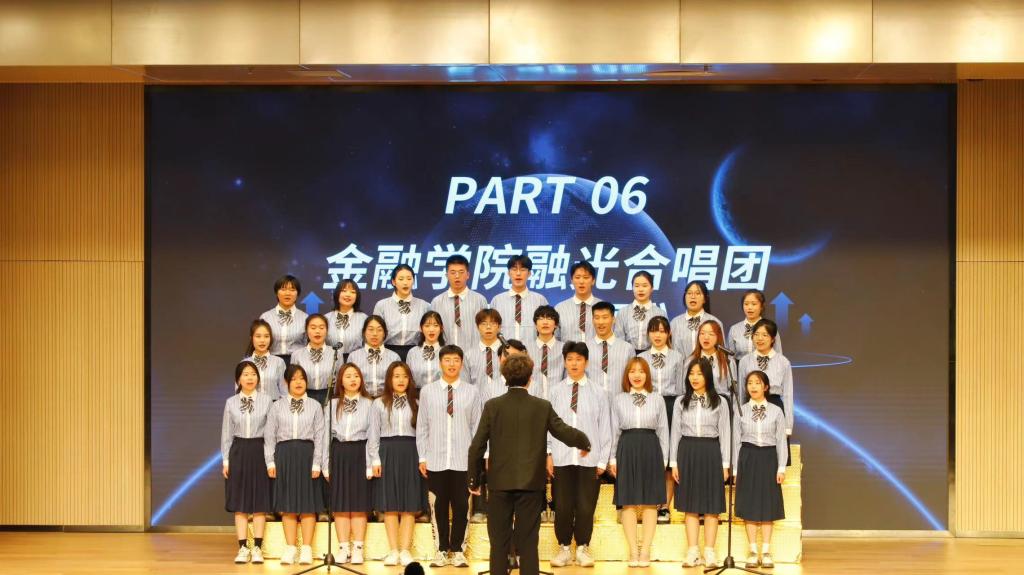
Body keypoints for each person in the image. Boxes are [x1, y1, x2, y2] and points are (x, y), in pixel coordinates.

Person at [468, 354, 590, 575]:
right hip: (531, 483)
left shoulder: (493, 406)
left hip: (499, 484)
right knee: (528, 541)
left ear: (505, 377)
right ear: (530, 378)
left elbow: (477, 445)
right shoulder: (541, 406)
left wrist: (473, 479)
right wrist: (584, 441)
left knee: (499, 542)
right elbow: (563, 431)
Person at [416, 344, 482, 568]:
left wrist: (476, 460)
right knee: (439, 508)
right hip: (436, 459)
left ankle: (458, 550)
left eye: (456, 360)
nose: (452, 364)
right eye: (447, 360)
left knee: (462, 507)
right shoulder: (428, 391)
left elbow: (477, 428)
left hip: (463, 461)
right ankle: (441, 549)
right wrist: (422, 457)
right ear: (440, 363)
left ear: (461, 364)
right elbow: (422, 427)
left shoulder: (472, 392)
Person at [547, 342, 611, 568]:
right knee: (562, 505)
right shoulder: (554, 392)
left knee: (586, 506)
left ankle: (583, 547)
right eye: (570, 359)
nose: (574, 364)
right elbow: (548, 426)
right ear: (564, 362)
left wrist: (602, 460)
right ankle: (564, 548)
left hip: (589, 459)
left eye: (578, 359)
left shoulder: (599, 393)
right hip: (562, 457)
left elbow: (605, 427)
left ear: (586, 362)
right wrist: (549, 453)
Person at [670, 359, 731, 568]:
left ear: (708, 376)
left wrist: (725, 464)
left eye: (699, 374)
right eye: (691, 373)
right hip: (687, 451)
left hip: (711, 451)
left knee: (712, 506)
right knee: (690, 505)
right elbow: (675, 433)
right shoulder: (680, 401)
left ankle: (710, 552)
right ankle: (693, 552)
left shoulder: (720, 402)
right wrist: (674, 462)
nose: (694, 378)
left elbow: (725, 433)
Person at [608, 358, 668, 567]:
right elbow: (614, 431)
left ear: (647, 375)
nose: (637, 375)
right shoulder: (619, 400)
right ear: (627, 375)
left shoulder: (657, 399)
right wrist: (613, 458)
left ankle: (645, 551)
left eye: (641, 371)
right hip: (627, 448)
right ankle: (633, 551)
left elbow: (663, 431)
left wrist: (664, 459)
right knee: (629, 501)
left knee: (651, 501)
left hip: (651, 449)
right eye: (632, 371)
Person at [264, 365, 325, 566]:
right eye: (294, 379)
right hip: (284, 455)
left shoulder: (315, 406)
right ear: (286, 383)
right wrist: (270, 461)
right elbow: (270, 436)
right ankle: (290, 547)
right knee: (287, 505)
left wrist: (317, 462)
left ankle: (306, 548)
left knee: (308, 504)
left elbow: (320, 436)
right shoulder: (276, 406)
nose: (298, 382)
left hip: (307, 454)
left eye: (302, 378)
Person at [368, 362, 426, 567]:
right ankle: (393, 550)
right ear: (389, 379)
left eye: (404, 376)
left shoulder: (417, 403)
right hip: (387, 452)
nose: (401, 380)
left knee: (409, 503)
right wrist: (374, 459)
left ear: (410, 379)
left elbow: (423, 433)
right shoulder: (378, 404)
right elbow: (373, 434)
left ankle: (406, 550)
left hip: (411, 452)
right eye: (396, 376)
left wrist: (423, 457)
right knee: (390, 503)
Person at [221, 361, 274, 564]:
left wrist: (270, 460)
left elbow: (270, 433)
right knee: (240, 503)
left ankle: (258, 548)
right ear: (238, 379)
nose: (250, 378)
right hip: (239, 451)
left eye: (253, 374)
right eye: (245, 374)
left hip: (260, 450)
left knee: (260, 502)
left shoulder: (267, 401)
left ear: (258, 378)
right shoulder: (231, 403)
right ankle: (243, 548)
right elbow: (226, 434)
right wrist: (226, 460)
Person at [733, 371, 787, 569]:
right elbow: (736, 440)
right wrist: (736, 470)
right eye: (749, 383)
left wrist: (781, 467)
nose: (753, 386)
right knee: (749, 504)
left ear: (766, 387)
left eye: (757, 383)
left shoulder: (776, 411)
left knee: (767, 505)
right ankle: (753, 551)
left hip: (769, 457)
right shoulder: (741, 410)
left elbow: (781, 440)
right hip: (748, 456)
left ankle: (766, 551)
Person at [324, 364, 375, 564]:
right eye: (348, 376)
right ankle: (343, 547)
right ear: (340, 381)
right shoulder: (332, 404)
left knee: (359, 503)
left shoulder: (369, 404)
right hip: (339, 452)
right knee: (341, 504)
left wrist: (371, 462)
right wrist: (325, 463)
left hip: (360, 452)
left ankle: (358, 548)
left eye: (356, 376)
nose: (353, 379)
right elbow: (325, 435)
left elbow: (373, 435)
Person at [637, 316, 684, 523]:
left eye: (662, 331)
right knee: (650, 453)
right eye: (654, 331)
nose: (657, 335)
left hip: (671, 404)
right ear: (648, 333)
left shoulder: (677, 357)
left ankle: (664, 506)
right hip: (647, 404)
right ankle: (648, 503)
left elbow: (681, 387)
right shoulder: (641, 358)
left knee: (668, 456)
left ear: (668, 334)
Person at [737, 319, 794, 451]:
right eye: (756, 334)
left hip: (774, 404)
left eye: (765, 335)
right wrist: (739, 418)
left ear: (773, 339)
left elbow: (788, 395)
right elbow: (741, 392)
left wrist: (788, 426)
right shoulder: (745, 361)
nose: (760, 338)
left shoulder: (783, 362)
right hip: (750, 407)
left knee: (776, 454)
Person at [373, 264, 431, 361]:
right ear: (393, 282)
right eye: (401, 279)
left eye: (409, 279)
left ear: (413, 281)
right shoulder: (381, 305)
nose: (405, 282)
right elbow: (375, 332)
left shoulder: (424, 306)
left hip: (416, 352)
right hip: (388, 351)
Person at [430, 255, 488, 349]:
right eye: (453, 272)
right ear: (446, 275)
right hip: (445, 353)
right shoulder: (436, 302)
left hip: (473, 353)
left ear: (468, 275)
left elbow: (485, 329)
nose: (457, 276)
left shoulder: (480, 300)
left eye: (461, 272)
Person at [489, 255, 549, 342]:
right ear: (508, 273)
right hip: (504, 349)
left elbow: (548, 328)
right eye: (514, 269)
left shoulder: (540, 300)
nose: (518, 273)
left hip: (532, 349)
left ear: (529, 273)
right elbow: (491, 328)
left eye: (522, 270)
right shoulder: (497, 300)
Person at [585, 301, 635, 399]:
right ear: (592, 320)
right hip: (592, 402)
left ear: (613, 319)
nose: (600, 322)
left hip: (620, 402)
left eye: (605, 317)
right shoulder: (585, 347)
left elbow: (632, 380)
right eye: (597, 318)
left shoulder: (627, 349)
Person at [290, 314, 340, 405]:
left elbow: (340, 380)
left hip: (329, 396)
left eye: (321, 328)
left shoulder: (336, 353)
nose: (317, 331)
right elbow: (292, 381)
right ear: (306, 331)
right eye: (313, 328)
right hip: (304, 396)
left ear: (327, 331)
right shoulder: (297, 355)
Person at [348, 315, 401, 398]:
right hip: (361, 400)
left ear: (385, 333)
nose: (375, 334)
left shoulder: (394, 357)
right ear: (364, 332)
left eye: (379, 330)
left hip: (386, 400)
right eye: (370, 329)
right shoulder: (353, 357)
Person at [259, 274, 308, 362]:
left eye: (292, 290)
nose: (287, 293)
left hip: (297, 362)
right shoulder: (265, 317)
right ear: (276, 292)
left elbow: (308, 344)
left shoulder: (305, 318)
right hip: (271, 362)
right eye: (283, 289)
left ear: (297, 294)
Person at [669, 280, 723, 359]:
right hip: (681, 366)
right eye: (689, 293)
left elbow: (721, 353)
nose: (693, 296)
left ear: (705, 299)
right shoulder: (675, 323)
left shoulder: (715, 322)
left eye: (697, 293)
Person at [614, 271, 666, 353]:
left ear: (652, 288)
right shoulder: (623, 312)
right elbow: (619, 339)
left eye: (645, 286)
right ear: (632, 288)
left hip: (651, 355)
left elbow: (663, 340)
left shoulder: (660, 313)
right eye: (637, 286)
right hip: (627, 355)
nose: (640, 289)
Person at [726, 289, 782, 361]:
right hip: (741, 367)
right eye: (746, 304)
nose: (749, 307)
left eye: (754, 304)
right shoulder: (734, 329)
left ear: (761, 306)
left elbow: (778, 355)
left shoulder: (770, 327)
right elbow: (730, 358)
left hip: (765, 367)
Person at [554, 261, 601, 342]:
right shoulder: (560, 308)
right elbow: (555, 339)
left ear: (593, 281)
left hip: (596, 350)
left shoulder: (603, 307)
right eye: (577, 277)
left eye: (586, 277)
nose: (581, 281)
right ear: (572, 280)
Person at [525, 305, 564, 401]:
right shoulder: (525, 350)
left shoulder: (564, 349)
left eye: (549, 318)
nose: (545, 322)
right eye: (541, 318)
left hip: (558, 400)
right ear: (535, 324)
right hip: (531, 400)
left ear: (556, 324)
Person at [689, 320, 735, 399]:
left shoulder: (728, 361)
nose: (706, 337)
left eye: (711, 334)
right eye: (702, 333)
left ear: (718, 337)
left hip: (722, 403)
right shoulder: (690, 361)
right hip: (697, 403)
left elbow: (734, 393)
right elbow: (685, 390)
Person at [243, 318, 285, 401]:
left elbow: (284, 392)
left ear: (270, 338)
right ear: (251, 338)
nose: (262, 340)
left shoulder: (279, 362)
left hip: (274, 406)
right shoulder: (244, 363)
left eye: (266, 336)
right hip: (252, 406)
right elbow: (239, 394)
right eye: (258, 336)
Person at [326, 279, 368, 358]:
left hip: (356, 360)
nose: (348, 295)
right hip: (330, 360)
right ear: (337, 294)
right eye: (344, 291)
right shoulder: (326, 318)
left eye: (353, 292)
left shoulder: (364, 319)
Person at [407, 311, 445, 389]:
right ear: (421, 328)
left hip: (441, 393)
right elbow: (408, 378)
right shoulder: (412, 353)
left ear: (441, 328)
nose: (431, 329)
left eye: (436, 325)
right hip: (417, 393)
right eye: (427, 326)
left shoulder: (447, 352)